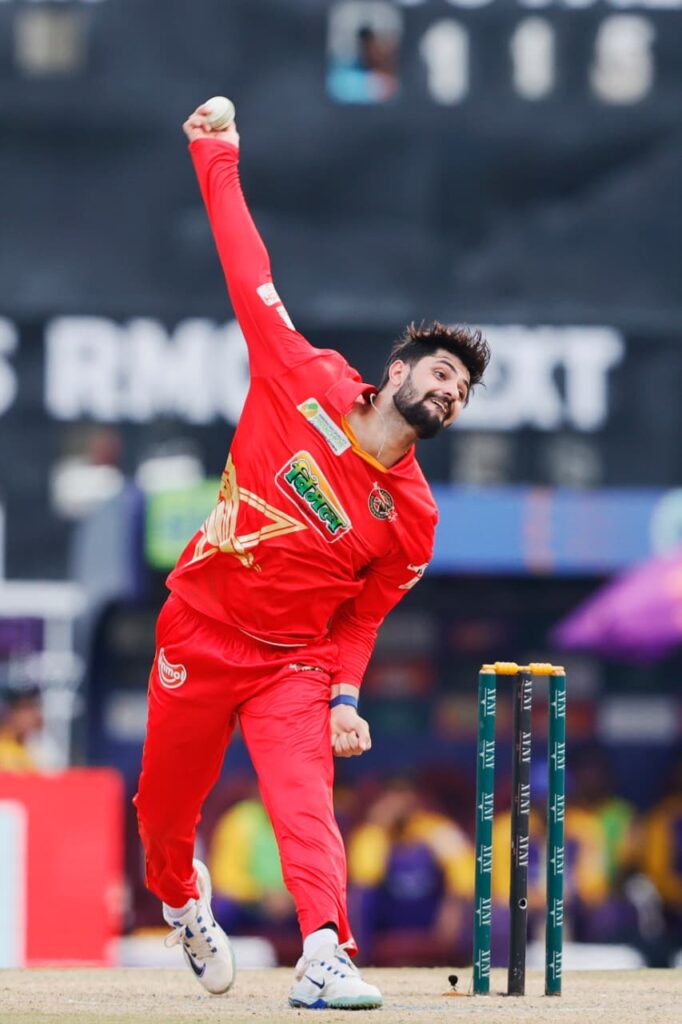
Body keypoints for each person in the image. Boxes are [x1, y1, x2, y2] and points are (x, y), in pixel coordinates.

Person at [134, 100, 490, 1011]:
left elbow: (362, 620)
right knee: (163, 816)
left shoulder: (414, 519)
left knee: (304, 803)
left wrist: (343, 698)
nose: (450, 394)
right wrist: (216, 155)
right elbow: (246, 268)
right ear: (398, 370)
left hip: (291, 664)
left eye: (463, 392)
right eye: (441, 374)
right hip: (198, 628)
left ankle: (325, 955)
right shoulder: (303, 376)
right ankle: (182, 903)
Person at [0, 685, 43, 771]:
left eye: (34, 706)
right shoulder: (6, 753)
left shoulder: (28, 746)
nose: (34, 713)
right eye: (25, 708)